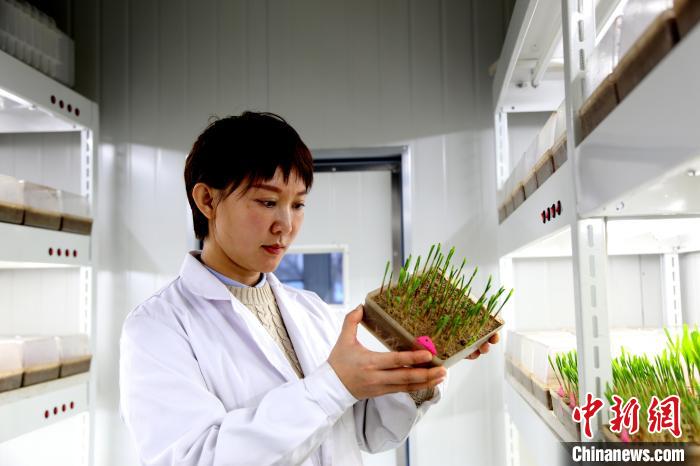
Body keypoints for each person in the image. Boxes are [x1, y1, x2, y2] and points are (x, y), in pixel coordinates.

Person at [119, 112, 499, 466]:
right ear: (207, 200)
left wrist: (418, 374)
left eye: (298, 205)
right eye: (267, 201)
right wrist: (334, 384)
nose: (285, 225)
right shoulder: (157, 327)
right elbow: (197, 458)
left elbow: (367, 431)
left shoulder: (311, 310)